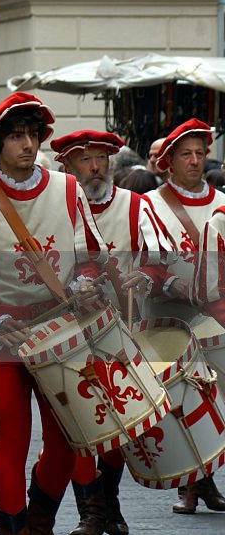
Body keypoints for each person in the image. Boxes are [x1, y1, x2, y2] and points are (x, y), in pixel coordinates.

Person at [0, 92, 107, 535]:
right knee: (12, 443)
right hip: (2, 335)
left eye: (32, 134)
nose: (27, 144)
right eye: (15, 136)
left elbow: (91, 258)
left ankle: (39, 519)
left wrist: (86, 283)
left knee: (69, 441)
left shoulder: (68, 190)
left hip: (62, 330)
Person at [51, 130, 177, 535]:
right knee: (78, 423)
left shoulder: (136, 206)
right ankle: (91, 510)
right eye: (84, 161)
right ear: (67, 167)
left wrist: (146, 276)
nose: (94, 168)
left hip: (124, 328)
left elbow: (161, 259)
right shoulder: (53, 209)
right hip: (67, 331)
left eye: (101, 159)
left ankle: (110, 500)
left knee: (121, 420)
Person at [142, 118, 225, 514]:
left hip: (218, 310)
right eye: (185, 155)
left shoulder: (222, 200)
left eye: (199, 153)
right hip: (170, 311)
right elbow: (145, 257)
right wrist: (172, 281)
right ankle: (192, 483)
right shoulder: (150, 205)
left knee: (218, 394)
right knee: (183, 394)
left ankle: (206, 479)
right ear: (168, 161)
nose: (194, 161)